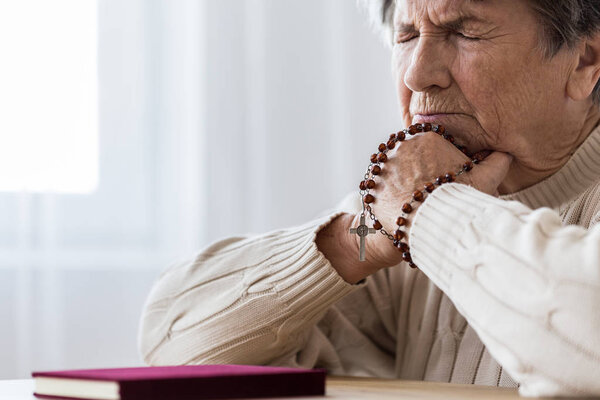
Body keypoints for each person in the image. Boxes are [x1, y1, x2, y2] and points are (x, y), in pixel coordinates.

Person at [138, 0, 600, 396]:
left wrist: (424, 211)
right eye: (406, 35)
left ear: (585, 60)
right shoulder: (405, 213)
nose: (418, 74)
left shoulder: (425, 208)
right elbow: (173, 344)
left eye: (464, 31)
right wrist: (353, 240)